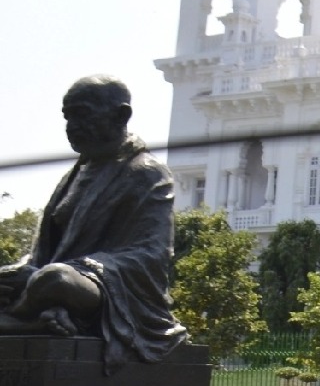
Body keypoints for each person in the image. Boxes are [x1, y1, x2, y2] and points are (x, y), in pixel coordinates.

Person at [0, 76, 187, 373]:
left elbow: (151, 255)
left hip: (111, 291)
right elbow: (43, 254)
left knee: (56, 278)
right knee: (22, 276)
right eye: (67, 116)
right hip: (51, 283)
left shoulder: (146, 173)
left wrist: (83, 269)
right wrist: (22, 269)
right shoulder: (73, 176)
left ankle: (15, 319)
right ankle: (38, 317)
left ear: (120, 115)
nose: (72, 125)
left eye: (82, 114)